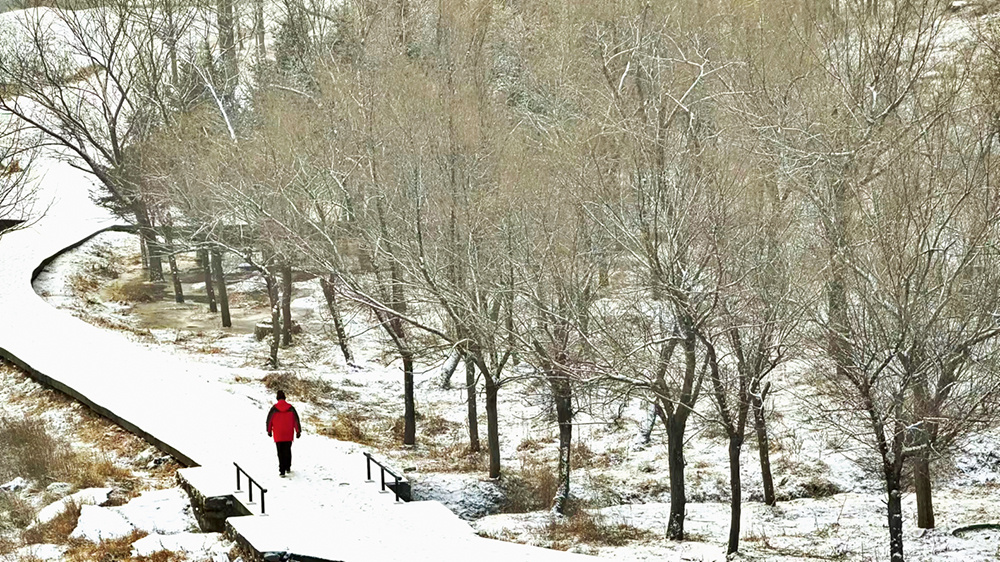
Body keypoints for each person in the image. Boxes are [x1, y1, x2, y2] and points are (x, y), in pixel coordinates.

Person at [266, 390, 301, 477]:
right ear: (285, 397)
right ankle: (288, 467)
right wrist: (298, 431)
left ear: (277, 398)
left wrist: (269, 430)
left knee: (280, 452)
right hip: (288, 433)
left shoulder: (274, 409)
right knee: (287, 450)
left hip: (278, 434)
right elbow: (296, 420)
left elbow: (269, 420)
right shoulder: (291, 408)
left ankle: (282, 470)